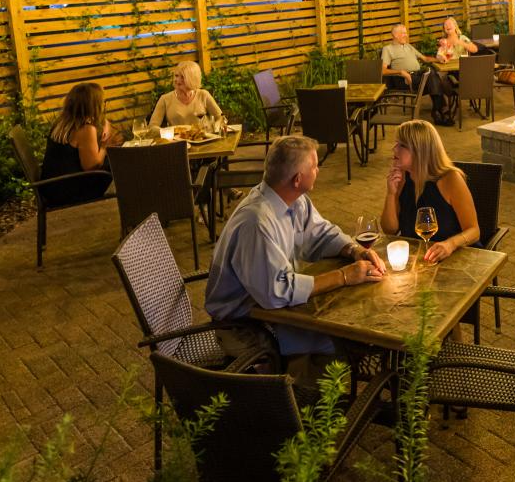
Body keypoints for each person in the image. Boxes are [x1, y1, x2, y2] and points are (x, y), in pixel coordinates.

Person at [204, 135, 386, 369]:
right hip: (244, 326)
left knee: (344, 332)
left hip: (272, 313)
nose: (319, 170)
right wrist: (344, 277)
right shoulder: (257, 223)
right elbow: (277, 292)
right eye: (315, 166)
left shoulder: (292, 199)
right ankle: (307, 398)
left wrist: (354, 250)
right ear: (298, 179)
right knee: (336, 342)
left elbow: (321, 234)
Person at [380, 119, 481, 262]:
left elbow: (474, 231)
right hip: (420, 259)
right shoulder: (401, 177)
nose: (394, 149)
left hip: (456, 257)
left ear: (420, 150)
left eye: (402, 145)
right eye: (396, 143)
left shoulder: (450, 179)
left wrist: (450, 244)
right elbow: (389, 230)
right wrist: (391, 194)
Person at [39, 82, 121, 205]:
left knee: (113, 162)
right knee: (117, 163)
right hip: (68, 192)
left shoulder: (63, 122)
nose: (104, 106)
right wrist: (105, 147)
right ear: (94, 106)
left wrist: (105, 125)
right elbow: (92, 166)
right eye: (102, 103)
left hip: (51, 187)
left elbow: (104, 120)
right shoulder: (85, 129)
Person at [380, 23, 451, 122]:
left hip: (417, 76)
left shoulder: (408, 46)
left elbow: (425, 58)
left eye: (406, 33)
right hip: (404, 79)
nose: (406, 35)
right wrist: (400, 72)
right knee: (434, 78)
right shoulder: (387, 49)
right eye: (403, 33)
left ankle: (437, 111)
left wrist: (438, 60)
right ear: (396, 35)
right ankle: (442, 111)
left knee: (433, 76)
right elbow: (383, 70)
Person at [149, 60, 225, 129]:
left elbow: (221, 118)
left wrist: (215, 127)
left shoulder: (203, 95)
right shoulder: (165, 99)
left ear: (192, 79)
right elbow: (152, 126)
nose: (177, 80)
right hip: (177, 141)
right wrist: (165, 132)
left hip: (202, 139)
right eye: (176, 76)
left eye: (182, 77)